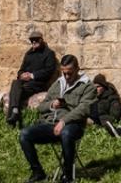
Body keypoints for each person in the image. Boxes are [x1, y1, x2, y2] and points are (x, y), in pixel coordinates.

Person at [19, 54, 97, 183]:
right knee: (24, 134)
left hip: (73, 125)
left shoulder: (87, 86)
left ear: (77, 69)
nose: (66, 77)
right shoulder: (57, 84)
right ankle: (38, 172)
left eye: (69, 73)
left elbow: (84, 109)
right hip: (50, 124)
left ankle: (67, 175)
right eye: (64, 73)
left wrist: (64, 121)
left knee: (66, 133)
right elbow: (41, 107)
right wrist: (51, 104)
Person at [7, 31, 59, 127]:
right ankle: (15, 112)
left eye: (36, 40)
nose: (33, 42)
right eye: (32, 40)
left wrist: (32, 75)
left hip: (38, 84)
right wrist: (22, 75)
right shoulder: (29, 54)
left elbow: (49, 71)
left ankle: (12, 119)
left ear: (41, 40)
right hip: (25, 83)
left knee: (14, 91)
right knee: (15, 83)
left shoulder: (49, 54)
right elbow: (20, 70)